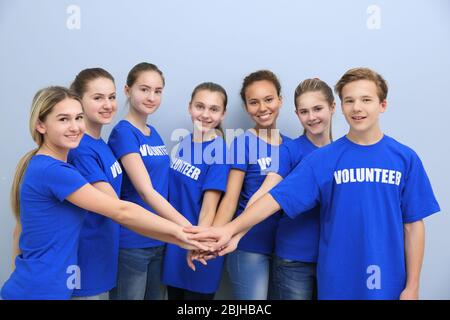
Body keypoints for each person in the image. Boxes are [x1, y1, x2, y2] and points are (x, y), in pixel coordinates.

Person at [186, 67, 441, 300]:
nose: (357, 107)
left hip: (388, 276)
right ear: (340, 107)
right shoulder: (323, 159)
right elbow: (273, 196)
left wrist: (413, 286)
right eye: (349, 101)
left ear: (382, 104)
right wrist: (232, 231)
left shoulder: (405, 158)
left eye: (366, 100)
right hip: (333, 275)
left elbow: (413, 225)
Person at [1, 86, 207, 300]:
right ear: (40, 124)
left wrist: (183, 239)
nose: (75, 127)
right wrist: (185, 234)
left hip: (42, 288)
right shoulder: (53, 171)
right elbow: (121, 211)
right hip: (38, 292)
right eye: (63, 119)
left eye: (78, 118)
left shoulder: (49, 166)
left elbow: (19, 228)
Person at [245, 78, 335, 300]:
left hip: (332, 259)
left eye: (318, 109)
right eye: (304, 111)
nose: (311, 117)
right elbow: (265, 193)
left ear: (333, 107)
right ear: (296, 114)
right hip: (293, 260)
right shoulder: (289, 150)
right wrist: (232, 232)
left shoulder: (343, 153)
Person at [108, 62, 191, 300]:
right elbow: (146, 191)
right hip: (132, 242)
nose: (151, 97)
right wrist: (188, 230)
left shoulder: (152, 133)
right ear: (127, 90)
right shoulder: (124, 132)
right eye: (144, 89)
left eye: (157, 91)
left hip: (159, 239)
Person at [210, 70, 291, 300]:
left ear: (280, 100)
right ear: (246, 107)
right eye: (253, 102)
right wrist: (215, 235)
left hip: (285, 250)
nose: (262, 107)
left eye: (268, 99)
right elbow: (230, 198)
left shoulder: (292, 146)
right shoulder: (243, 142)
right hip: (248, 245)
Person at [162, 82, 230, 300]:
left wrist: (198, 246)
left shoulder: (220, 152)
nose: (205, 114)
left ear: (223, 114)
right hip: (175, 246)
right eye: (200, 106)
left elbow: (209, 210)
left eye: (214, 109)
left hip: (200, 249)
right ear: (190, 107)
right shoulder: (182, 144)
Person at [67, 68, 122, 300]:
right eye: (98, 98)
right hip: (86, 260)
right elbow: (117, 207)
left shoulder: (101, 144)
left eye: (111, 96)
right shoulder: (80, 150)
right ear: (79, 101)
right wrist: (181, 233)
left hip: (104, 255)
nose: (107, 104)